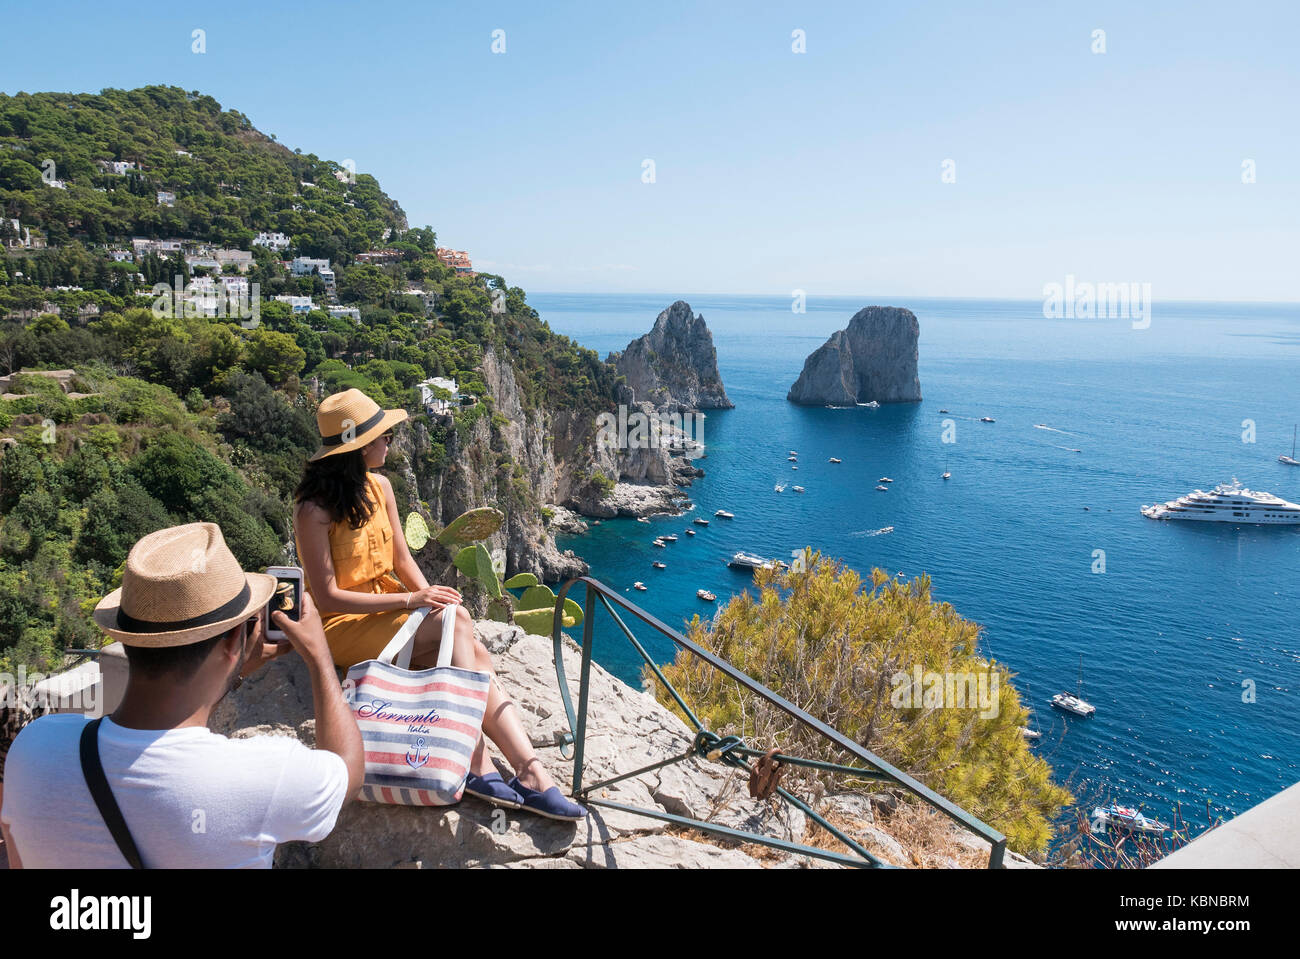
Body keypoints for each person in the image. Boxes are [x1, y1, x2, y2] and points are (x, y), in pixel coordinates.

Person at [294, 387, 586, 820]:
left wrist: (432, 602)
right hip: (344, 626)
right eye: (381, 435)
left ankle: (532, 772)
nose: (389, 441)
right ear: (356, 447)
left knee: (473, 649)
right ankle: (478, 765)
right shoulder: (313, 511)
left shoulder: (381, 487)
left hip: (391, 611)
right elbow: (328, 596)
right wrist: (415, 599)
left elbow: (402, 557)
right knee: (460, 628)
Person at [0, 522, 364, 868]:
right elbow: (348, 770)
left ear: (128, 640)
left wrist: (230, 667)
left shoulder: (35, 748)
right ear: (235, 640)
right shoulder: (262, 774)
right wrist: (319, 656)